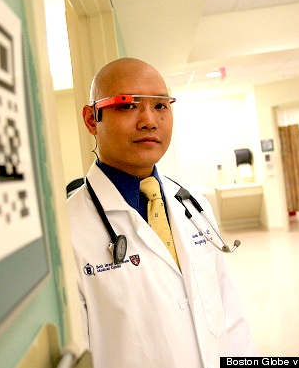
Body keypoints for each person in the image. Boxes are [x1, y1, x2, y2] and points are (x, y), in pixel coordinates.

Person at [67, 57, 257, 367]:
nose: (149, 121)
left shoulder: (194, 206)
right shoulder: (69, 229)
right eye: (128, 105)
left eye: (160, 106)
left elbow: (230, 315)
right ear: (92, 119)